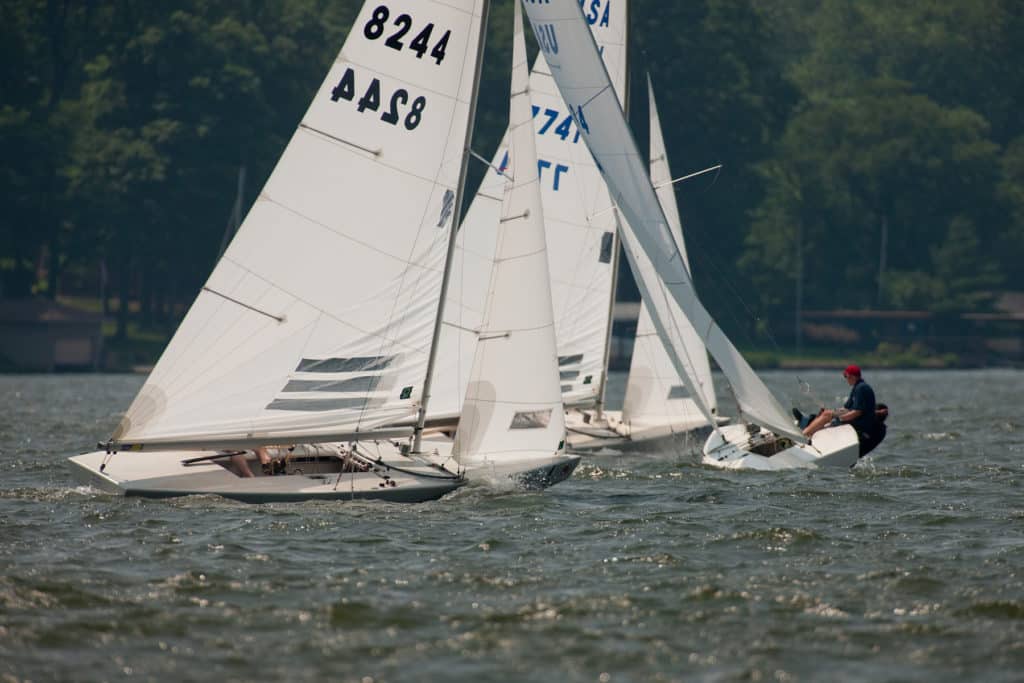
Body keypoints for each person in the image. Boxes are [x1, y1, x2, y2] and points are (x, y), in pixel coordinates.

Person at [801, 364, 877, 441]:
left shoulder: (861, 388)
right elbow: (846, 408)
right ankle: (808, 433)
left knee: (827, 416)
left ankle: (804, 435)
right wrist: (832, 412)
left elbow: (857, 412)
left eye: (846, 376)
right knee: (826, 413)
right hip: (856, 419)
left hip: (861, 423)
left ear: (853, 377)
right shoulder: (857, 387)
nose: (846, 379)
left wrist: (839, 419)